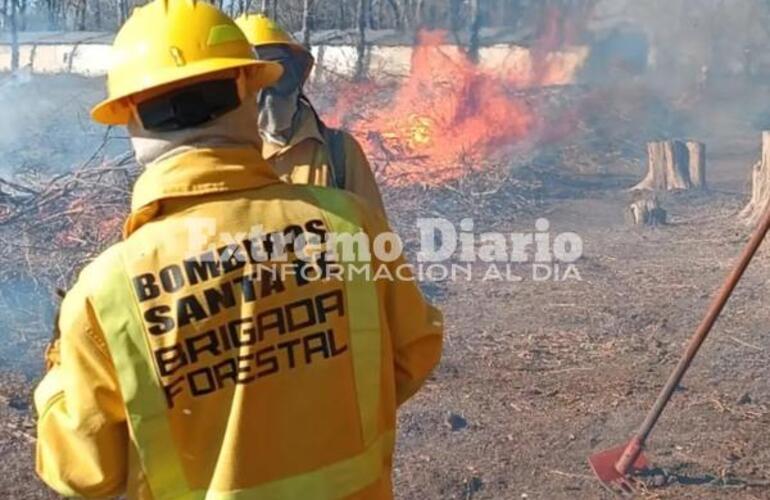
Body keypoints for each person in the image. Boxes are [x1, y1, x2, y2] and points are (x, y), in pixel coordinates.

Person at [33, 1, 443, 498]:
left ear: (130, 121)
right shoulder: (350, 226)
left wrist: (61, 365)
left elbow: (85, 472)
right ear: (248, 93)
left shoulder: (105, 293)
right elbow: (413, 350)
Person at [235, 13, 387, 216]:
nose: (270, 90)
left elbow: (377, 236)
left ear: (298, 76)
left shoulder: (339, 153)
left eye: (280, 73)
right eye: (256, 78)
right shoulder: (224, 159)